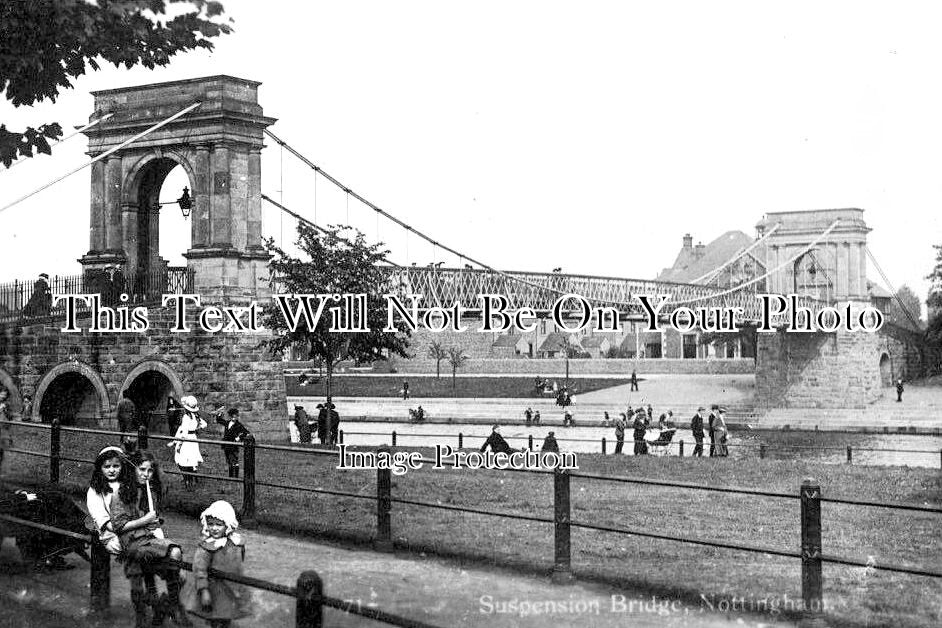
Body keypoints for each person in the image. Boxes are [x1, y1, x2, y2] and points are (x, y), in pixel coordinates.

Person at [111, 450, 189, 627]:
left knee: (177, 571)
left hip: (147, 542)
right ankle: (165, 607)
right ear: (132, 470)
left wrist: (155, 527)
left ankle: (166, 604)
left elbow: (152, 524)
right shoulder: (120, 494)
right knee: (173, 557)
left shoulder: (150, 492)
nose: (145, 475)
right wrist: (144, 521)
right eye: (141, 470)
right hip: (132, 542)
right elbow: (119, 526)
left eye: (150, 471)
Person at [182, 500, 252, 627]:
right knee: (216, 617)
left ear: (228, 525)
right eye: (210, 524)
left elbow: (240, 559)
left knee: (228, 615)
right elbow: (199, 569)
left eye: (218, 525)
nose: (214, 528)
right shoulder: (207, 546)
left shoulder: (235, 542)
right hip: (214, 589)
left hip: (231, 587)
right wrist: (204, 590)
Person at [170, 396, 206, 491]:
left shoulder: (186, 417)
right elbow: (204, 424)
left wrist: (179, 445)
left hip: (186, 440)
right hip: (193, 439)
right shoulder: (196, 416)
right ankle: (190, 480)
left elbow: (184, 433)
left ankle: (187, 481)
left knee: (181, 459)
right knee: (190, 460)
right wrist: (195, 428)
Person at [218, 408, 250, 478]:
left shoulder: (238, 425)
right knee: (229, 460)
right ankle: (231, 476)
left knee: (234, 460)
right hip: (226, 444)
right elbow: (219, 420)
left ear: (237, 416)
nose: (234, 418)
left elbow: (246, 432)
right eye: (232, 416)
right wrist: (220, 413)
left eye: (235, 416)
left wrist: (239, 438)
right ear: (230, 416)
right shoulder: (227, 423)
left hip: (233, 445)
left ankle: (235, 476)